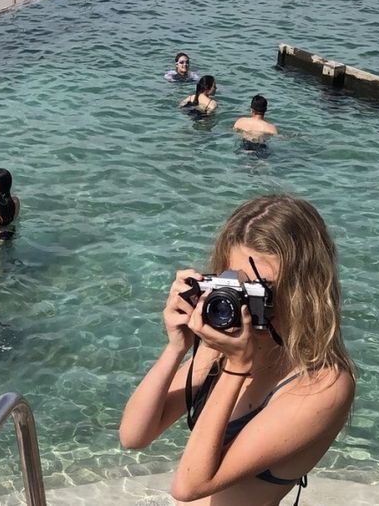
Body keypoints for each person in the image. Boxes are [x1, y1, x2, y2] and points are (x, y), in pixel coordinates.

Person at [120, 194, 356, 506]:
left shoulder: (323, 385)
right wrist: (177, 347)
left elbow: (189, 485)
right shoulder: (222, 350)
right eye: (237, 283)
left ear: (303, 288)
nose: (243, 300)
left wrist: (236, 367)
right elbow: (134, 436)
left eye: (262, 287)